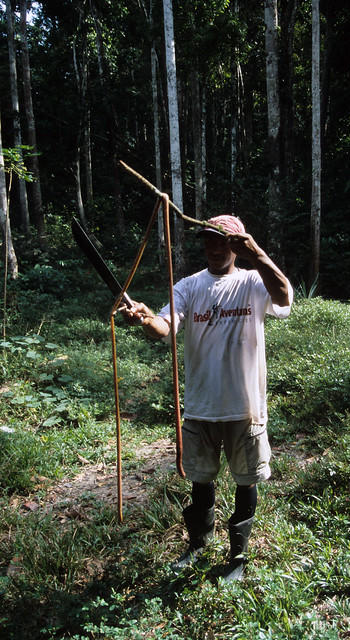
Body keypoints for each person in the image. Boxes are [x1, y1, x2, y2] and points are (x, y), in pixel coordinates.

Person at [122, 214, 293, 581]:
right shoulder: (188, 286)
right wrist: (146, 318)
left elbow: (284, 298)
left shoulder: (252, 282)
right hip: (201, 406)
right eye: (209, 241)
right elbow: (164, 328)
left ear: (237, 245)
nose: (216, 249)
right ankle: (198, 545)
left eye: (224, 242)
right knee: (201, 479)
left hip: (245, 405)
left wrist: (258, 255)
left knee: (245, 479)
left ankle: (238, 556)